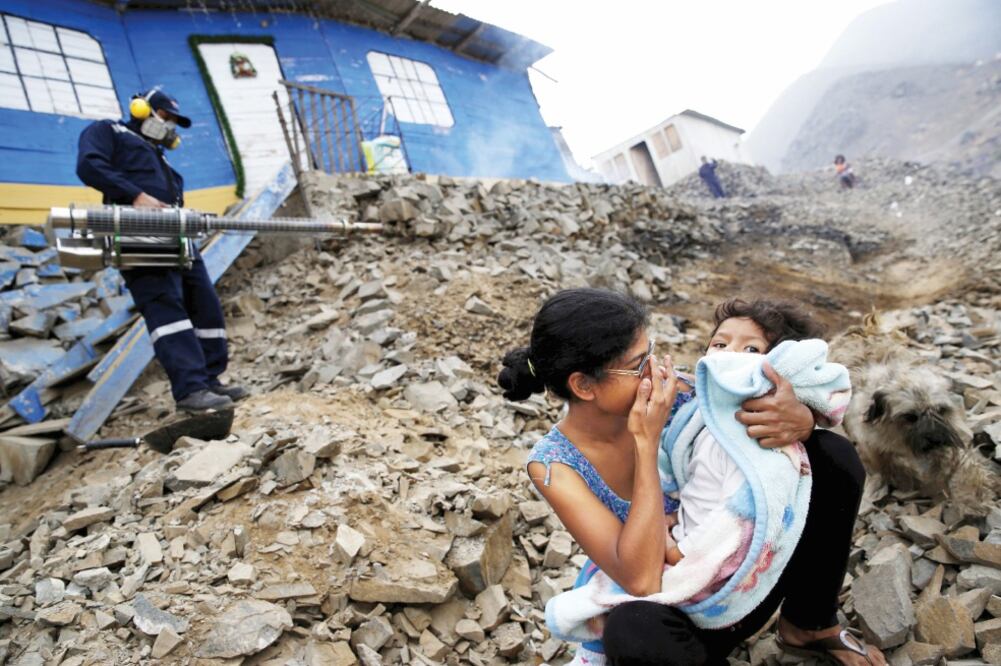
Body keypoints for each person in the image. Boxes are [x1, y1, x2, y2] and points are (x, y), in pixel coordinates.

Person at [498, 291, 884, 666]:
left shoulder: (680, 390)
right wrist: (646, 444)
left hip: (748, 577)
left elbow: (766, 406)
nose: (655, 370)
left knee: (833, 456)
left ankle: (808, 625)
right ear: (584, 385)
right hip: (680, 610)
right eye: (637, 365)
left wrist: (800, 419)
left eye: (650, 352)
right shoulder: (555, 465)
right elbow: (642, 581)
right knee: (632, 630)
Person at [77, 88, 247, 412]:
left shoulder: (158, 153)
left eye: (173, 122)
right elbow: (89, 165)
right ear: (142, 109)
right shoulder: (108, 131)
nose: (168, 125)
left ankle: (210, 379)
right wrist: (134, 194)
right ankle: (191, 390)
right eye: (164, 117)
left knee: (204, 304)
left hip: (175, 234)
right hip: (137, 234)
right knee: (165, 308)